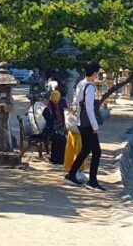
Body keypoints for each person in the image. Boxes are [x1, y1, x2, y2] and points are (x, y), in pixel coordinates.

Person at [65, 62, 106, 191]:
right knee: (97, 152)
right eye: (97, 73)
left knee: (86, 150)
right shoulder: (90, 87)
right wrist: (95, 126)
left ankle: (71, 174)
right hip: (88, 123)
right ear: (94, 73)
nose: (97, 76)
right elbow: (89, 108)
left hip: (81, 122)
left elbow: (77, 104)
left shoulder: (80, 84)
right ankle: (92, 181)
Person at [43, 90, 67, 164]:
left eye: (56, 100)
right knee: (58, 139)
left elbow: (66, 113)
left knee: (62, 139)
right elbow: (49, 120)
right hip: (52, 127)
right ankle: (56, 158)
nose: (55, 102)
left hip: (61, 125)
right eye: (53, 100)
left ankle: (60, 158)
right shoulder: (49, 106)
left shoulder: (63, 102)